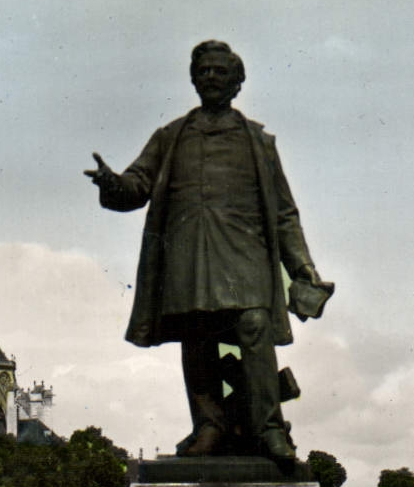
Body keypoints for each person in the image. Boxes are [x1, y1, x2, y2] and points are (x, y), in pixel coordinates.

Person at [87, 40, 329, 461]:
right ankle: (210, 426)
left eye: (221, 71)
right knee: (196, 335)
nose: (211, 78)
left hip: (245, 255)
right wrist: (112, 184)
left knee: (253, 325)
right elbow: (136, 185)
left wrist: (303, 268)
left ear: (237, 83)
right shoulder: (170, 137)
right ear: (194, 79)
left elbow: (285, 214)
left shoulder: (259, 142)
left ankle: (269, 429)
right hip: (188, 256)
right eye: (204, 71)